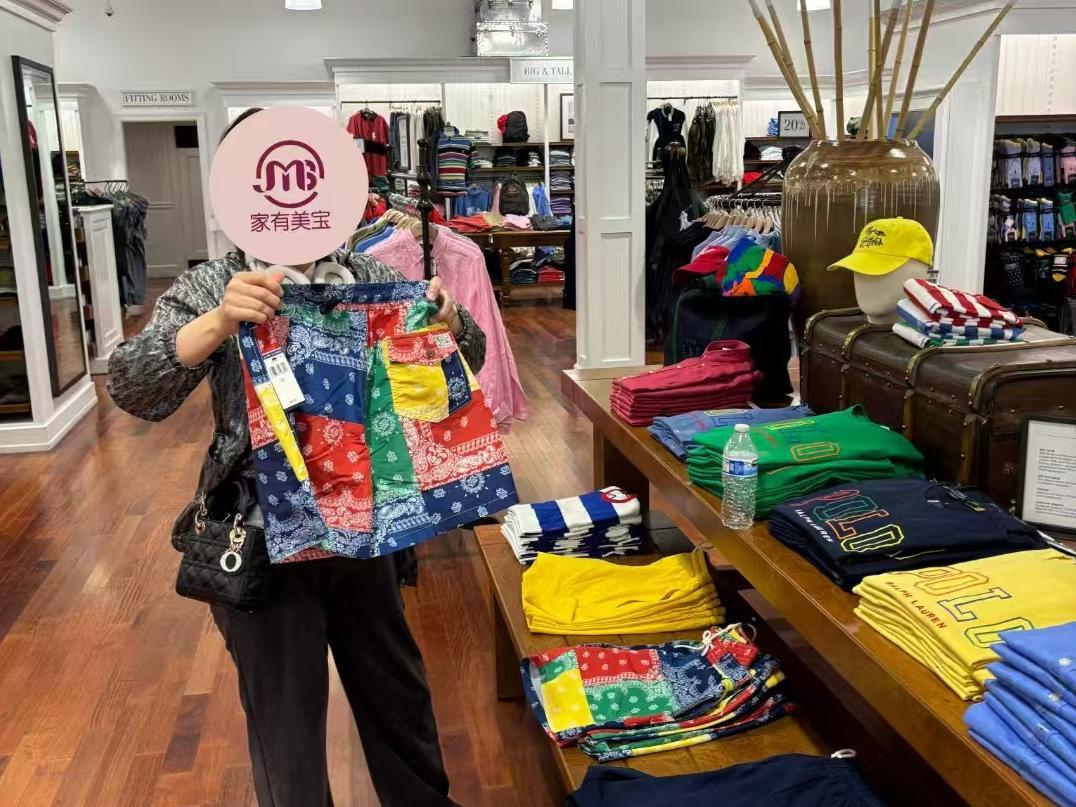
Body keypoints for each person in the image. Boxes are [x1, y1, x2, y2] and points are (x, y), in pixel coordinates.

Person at [107, 109, 482, 807]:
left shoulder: (368, 273)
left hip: (367, 521)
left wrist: (450, 322)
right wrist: (220, 322)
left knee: (397, 695)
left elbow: (467, 364)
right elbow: (133, 385)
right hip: (261, 531)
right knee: (286, 725)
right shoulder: (214, 286)